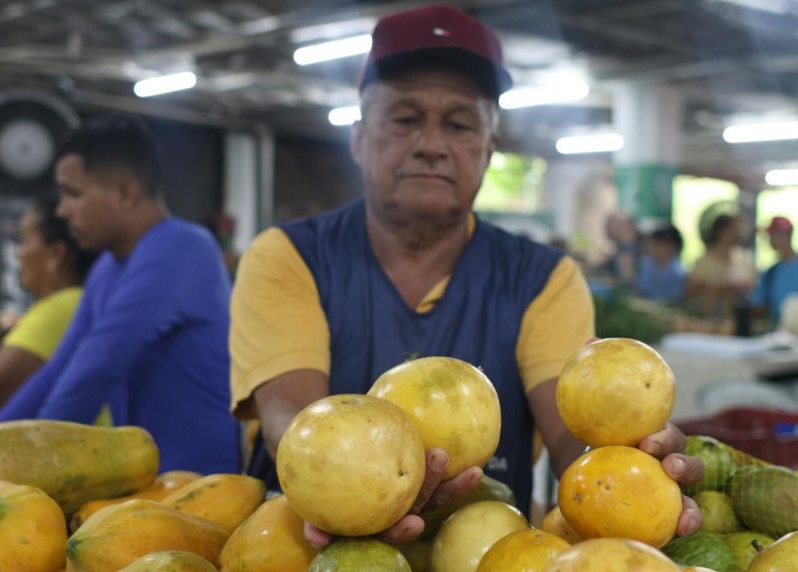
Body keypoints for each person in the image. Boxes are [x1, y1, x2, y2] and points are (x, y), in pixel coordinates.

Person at [229, 4, 702, 545]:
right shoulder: (290, 256)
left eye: (459, 123)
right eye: (405, 119)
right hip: (312, 551)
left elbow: (580, 437)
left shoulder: (543, 278)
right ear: (359, 138)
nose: (431, 144)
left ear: (488, 147)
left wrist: (633, 466)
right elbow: (289, 418)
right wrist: (351, 492)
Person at [0, 115, 240, 475]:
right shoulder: (108, 268)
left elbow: (94, 372)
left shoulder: (181, 249)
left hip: (199, 486)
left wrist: (23, 470)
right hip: (145, 482)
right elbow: (58, 371)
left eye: (73, 194)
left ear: (125, 193)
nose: (62, 210)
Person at [0, 196, 98, 420]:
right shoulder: (81, 301)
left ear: (56, 254)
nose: (18, 253)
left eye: (24, 240)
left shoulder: (60, 307)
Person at [686, 213, 756, 318]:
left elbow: (754, 290)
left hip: (736, 321)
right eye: (735, 229)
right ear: (722, 232)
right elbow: (689, 293)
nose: (740, 233)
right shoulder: (702, 262)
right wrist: (713, 287)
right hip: (706, 323)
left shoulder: (745, 259)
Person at [750, 215, 798, 325]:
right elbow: (757, 306)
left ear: (784, 235)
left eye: (771, 235)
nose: (769, 239)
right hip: (780, 334)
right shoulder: (771, 273)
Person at [634, 224, 686, 304]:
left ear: (671, 246)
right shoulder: (646, 265)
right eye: (652, 245)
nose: (653, 249)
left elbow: (674, 301)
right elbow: (639, 289)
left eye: (658, 245)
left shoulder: (678, 273)